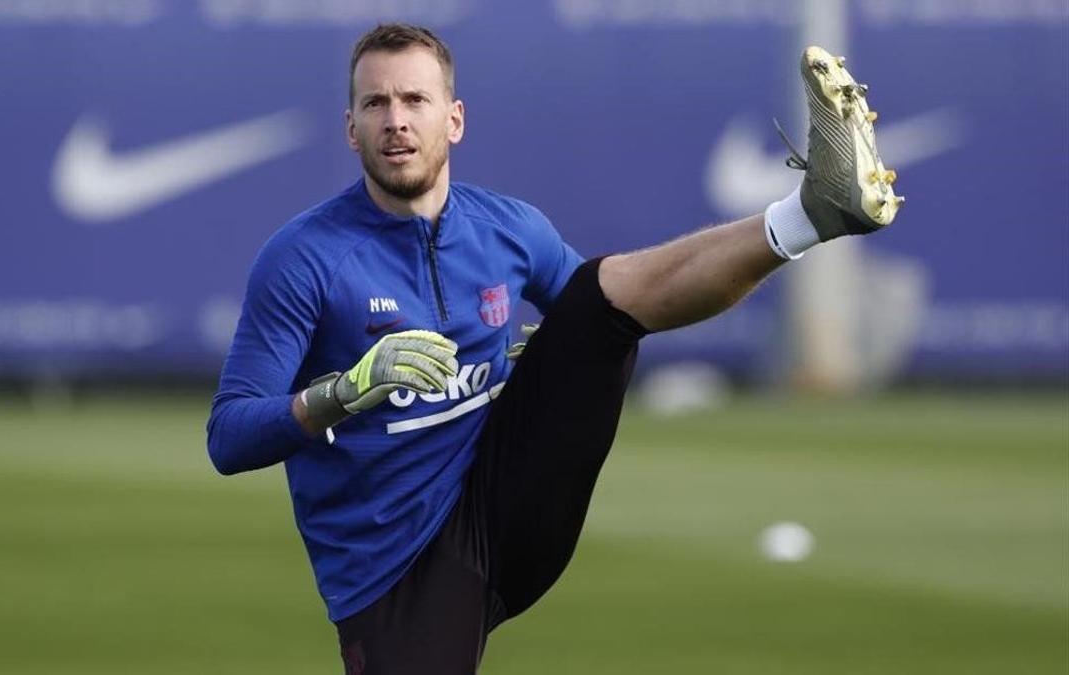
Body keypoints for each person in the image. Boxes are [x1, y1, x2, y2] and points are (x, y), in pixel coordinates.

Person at [206, 22, 902, 674]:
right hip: (395, 569)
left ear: (454, 119)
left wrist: (564, 339)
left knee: (600, 299)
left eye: (415, 99)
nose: (396, 119)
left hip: (509, 504)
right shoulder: (303, 258)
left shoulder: (509, 229)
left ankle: (813, 211)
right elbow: (229, 437)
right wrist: (343, 391)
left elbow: (626, 303)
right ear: (350, 128)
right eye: (375, 103)